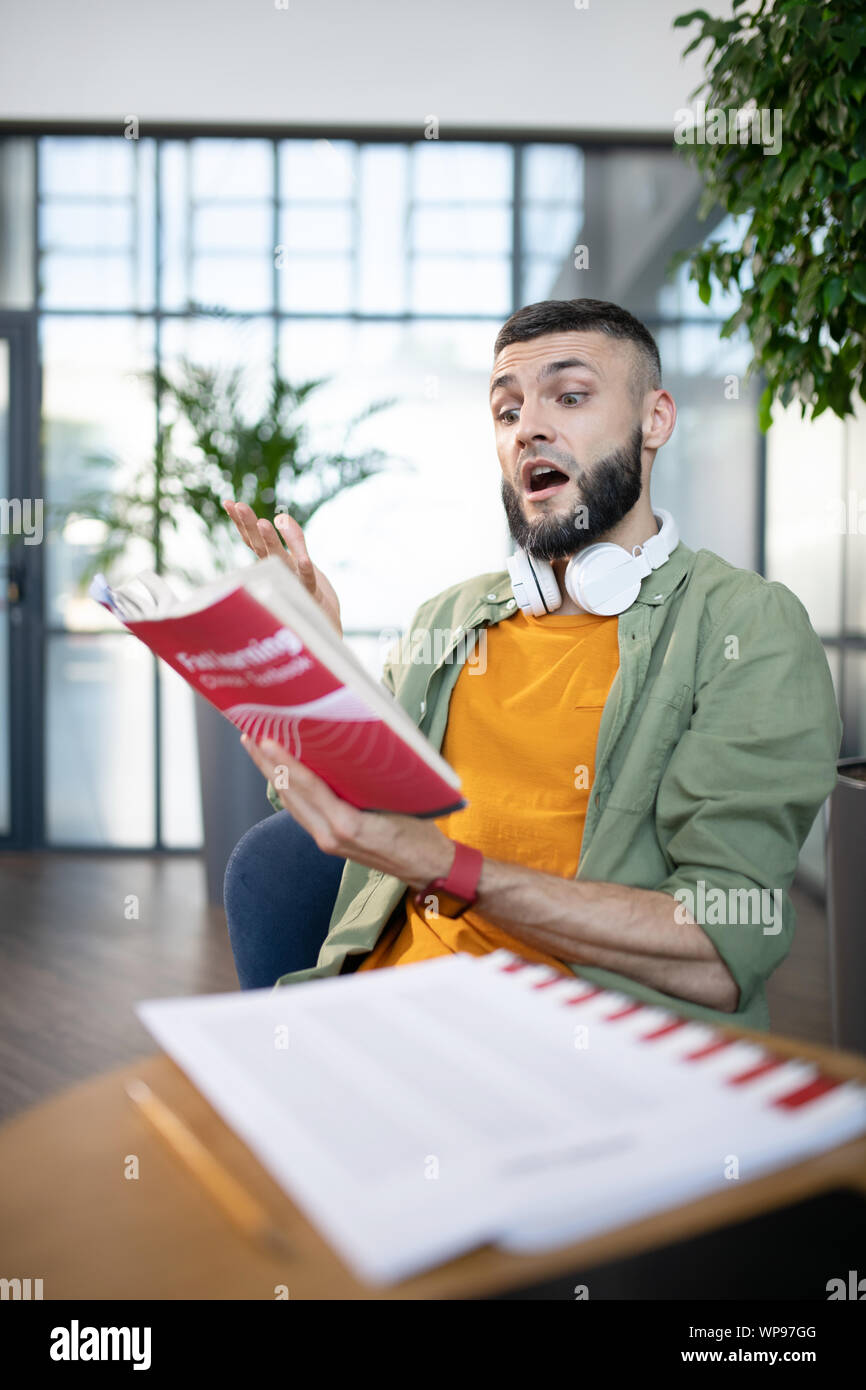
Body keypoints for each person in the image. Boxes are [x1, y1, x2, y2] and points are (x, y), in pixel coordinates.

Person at [222, 298, 841, 1032]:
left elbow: (717, 948)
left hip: (577, 1055)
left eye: (570, 396)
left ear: (656, 420)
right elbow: (347, 811)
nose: (529, 429)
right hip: (373, 1016)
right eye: (507, 411)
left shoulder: (745, 626)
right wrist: (312, 671)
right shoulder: (446, 622)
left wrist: (449, 868)